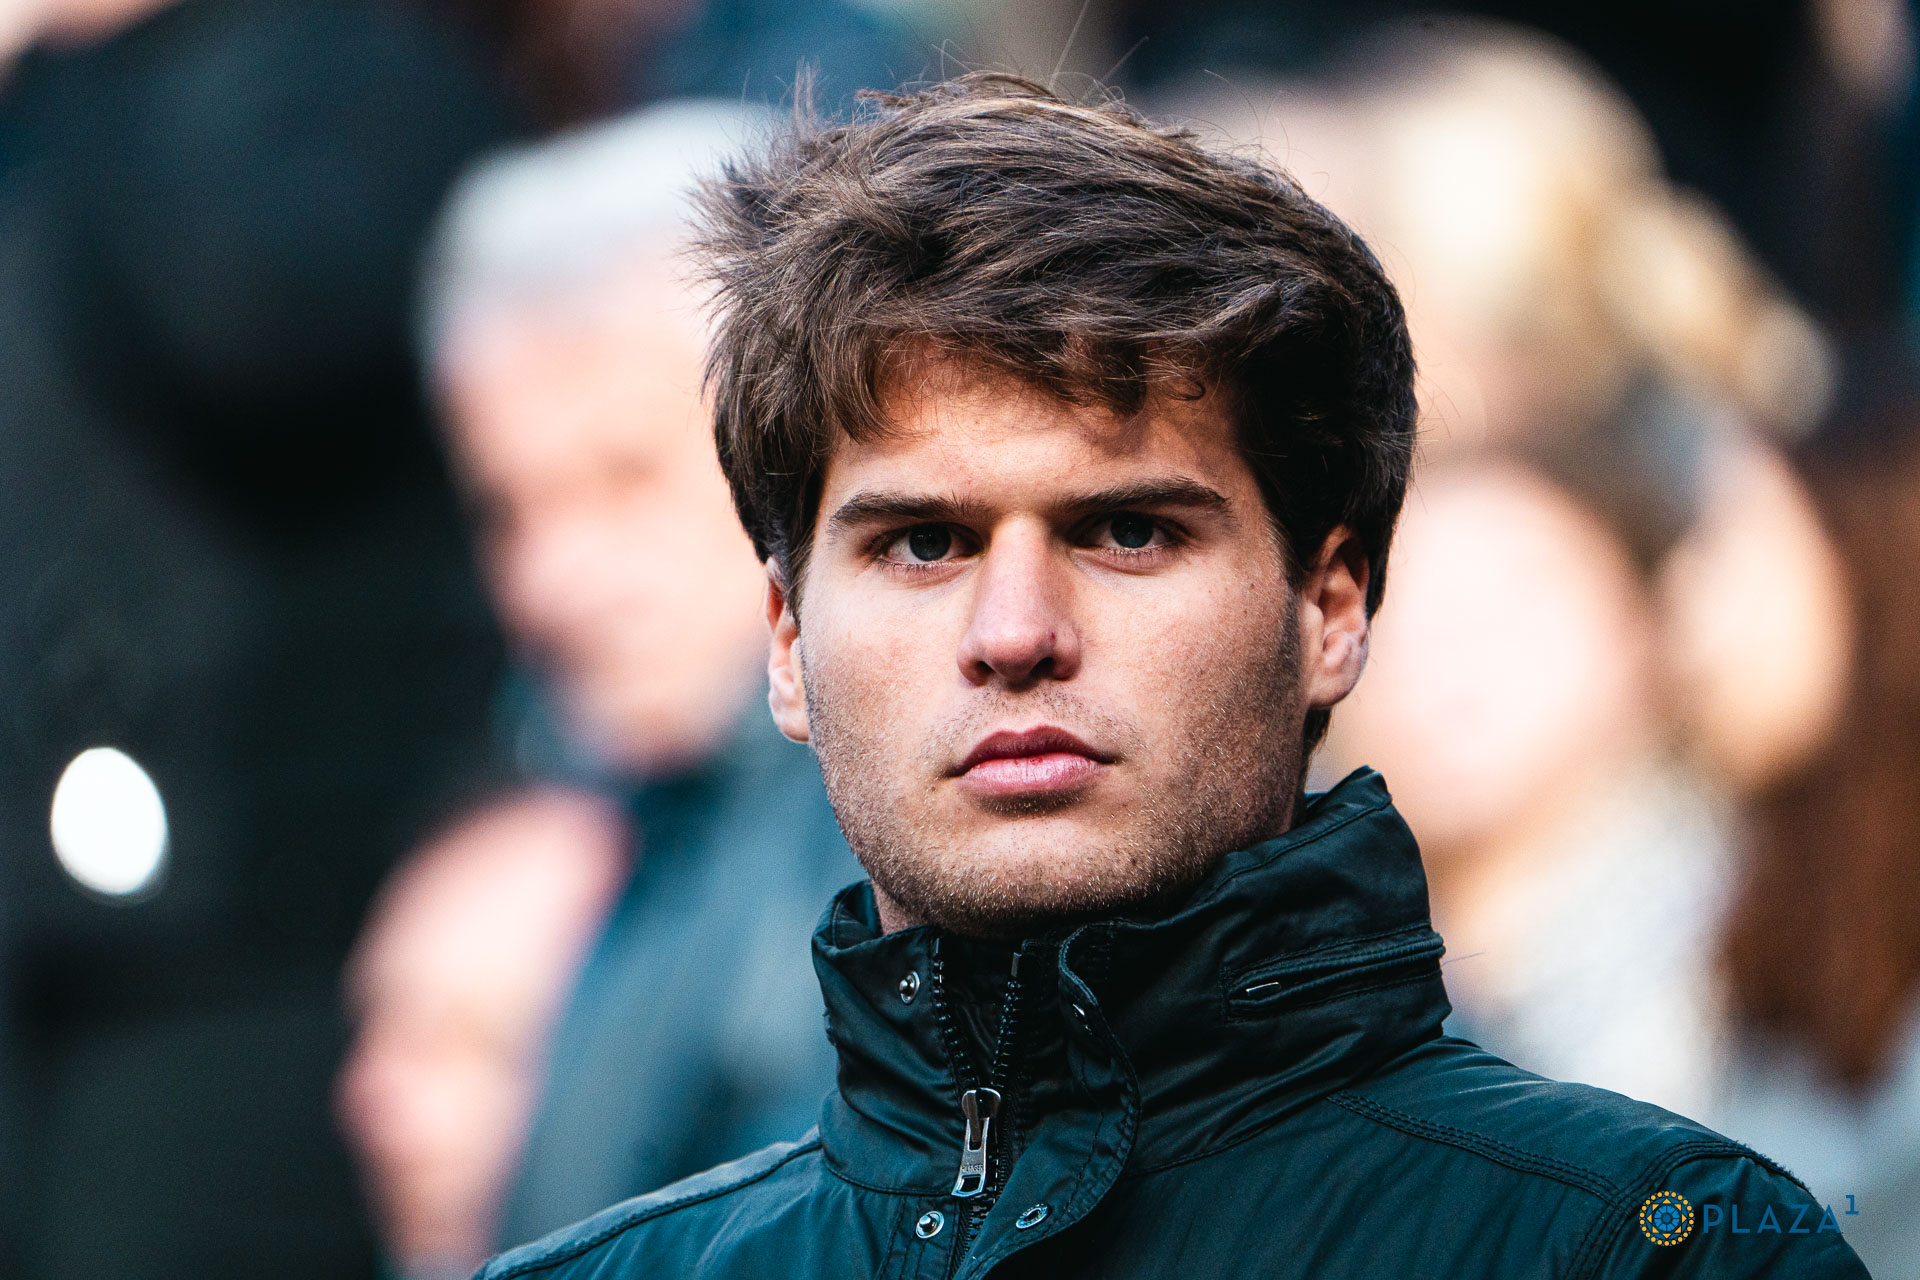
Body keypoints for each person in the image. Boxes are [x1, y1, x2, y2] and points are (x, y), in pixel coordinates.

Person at [477, 74, 1868, 1279]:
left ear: (1330, 607)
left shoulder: (1654, 1247)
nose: (1015, 630)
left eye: (1127, 531)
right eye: (924, 543)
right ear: (786, 641)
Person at [336, 104, 861, 1278]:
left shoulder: (890, 848)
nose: (549, 582)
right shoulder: (600, 809)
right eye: (510, 508)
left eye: (625, 478)